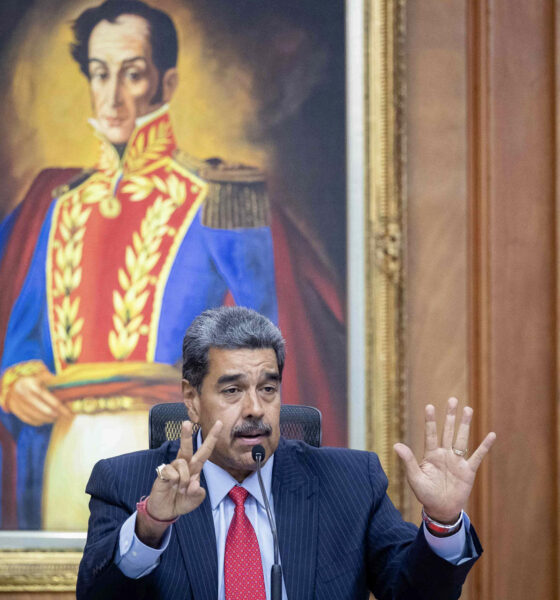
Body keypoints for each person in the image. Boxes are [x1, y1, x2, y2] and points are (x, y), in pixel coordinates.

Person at [0, 0, 279, 530]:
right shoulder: (60, 205)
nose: (111, 95)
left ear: (165, 83)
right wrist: (18, 379)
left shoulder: (217, 198)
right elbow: (24, 338)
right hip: (65, 448)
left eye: (132, 74)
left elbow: (263, 343)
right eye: (100, 74)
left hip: (176, 452)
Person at [77, 306, 496, 600]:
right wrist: (151, 524)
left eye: (268, 388)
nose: (255, 408)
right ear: (191, 398)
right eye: (232, 390)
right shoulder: (125, 482)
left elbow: (410, 593)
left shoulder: (349, 483)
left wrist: (442, 523)